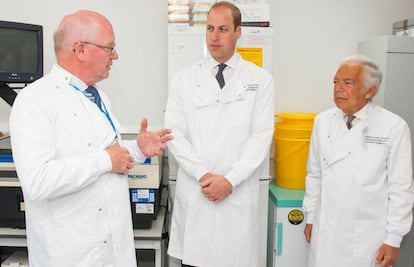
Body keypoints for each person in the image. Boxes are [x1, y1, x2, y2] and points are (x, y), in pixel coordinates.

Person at [9, 10, 172, 267]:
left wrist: (137, 150)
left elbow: (105, 153)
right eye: (110, 48)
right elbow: (37, 181)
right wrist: (105, 161)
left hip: (113, 248)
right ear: (81, 50)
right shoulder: (34, 101)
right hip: (71, 254)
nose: (115, 55)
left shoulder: (94, 96)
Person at [164, 2, 275, 266]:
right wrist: (203, 175)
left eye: (223, 29)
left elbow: (261, 138)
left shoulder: (261, 80)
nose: (214, 37)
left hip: (237, 196)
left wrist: (230, 180)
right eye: (210, 29)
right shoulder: (184, 79)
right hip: (197, 191)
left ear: (238, 32)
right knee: (195, 261)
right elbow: (174, 134)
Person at [302, 55, 414, 267]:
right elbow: (314, 174)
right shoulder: (322, 122)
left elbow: (401, 188)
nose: (338, 88)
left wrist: (394, 239)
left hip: (366, 236)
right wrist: (310, 216)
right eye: (336, 81)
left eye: (348, 82)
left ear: (369, 91)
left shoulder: (393, 126)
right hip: (325, 229)